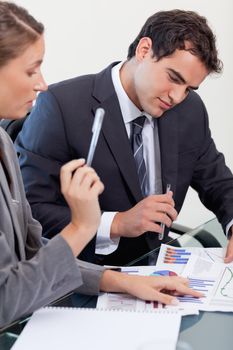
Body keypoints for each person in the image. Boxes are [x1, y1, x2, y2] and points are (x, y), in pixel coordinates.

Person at [0, 2, 201, 328]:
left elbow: (34, 251)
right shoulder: (61, 106)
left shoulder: (3, 144)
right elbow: (6, 299)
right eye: (31, 70)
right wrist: (84, 225)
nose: (42, 83)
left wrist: (119, 281)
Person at [16, 9, 233, 266]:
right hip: (83, 276)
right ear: (144, 50)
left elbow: (218, 182)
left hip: (157, 271)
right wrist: (116, 223)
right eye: (174, 78)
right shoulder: (61, 106)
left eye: (188, 89)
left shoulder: (189, 110)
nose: (177, 96)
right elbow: (28, 210)